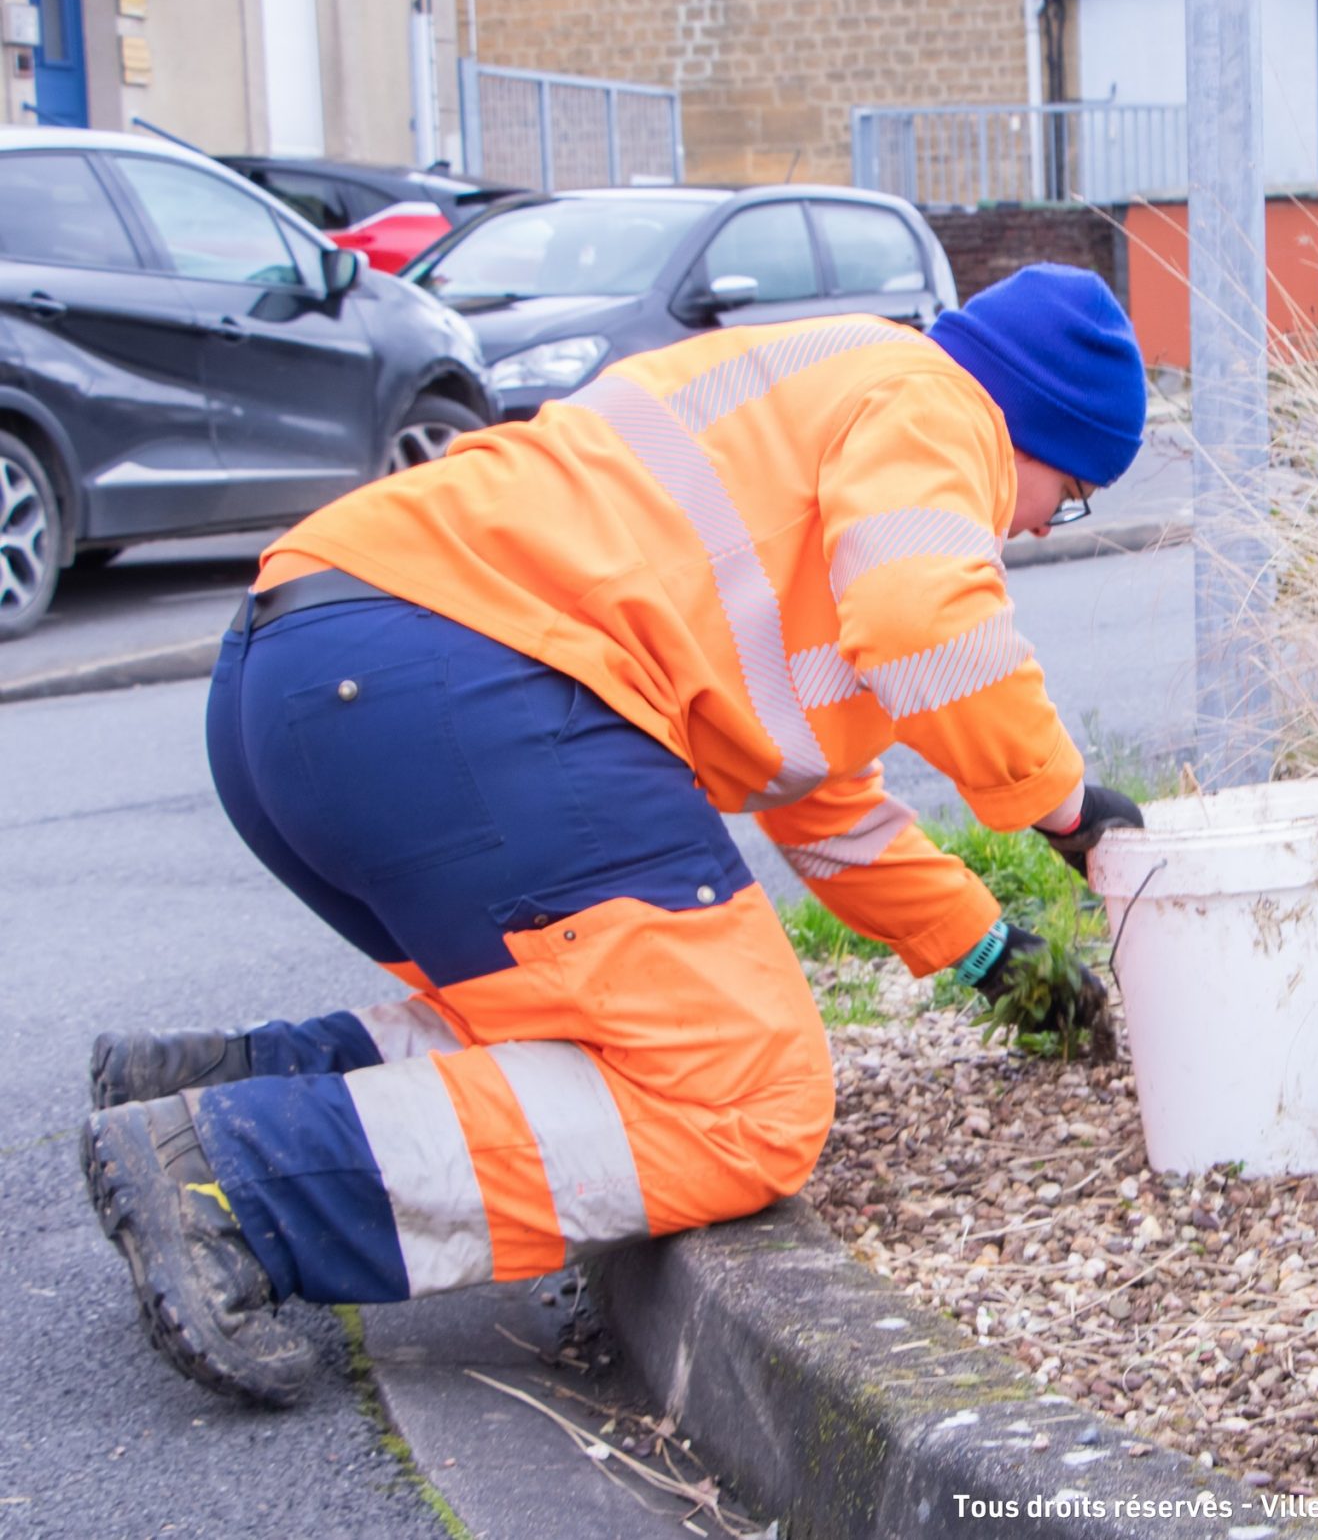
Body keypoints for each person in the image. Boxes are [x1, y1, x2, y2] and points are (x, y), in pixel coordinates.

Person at [80, 263, 1150, 1406]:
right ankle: (243, 1181)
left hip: (300, 678)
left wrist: (991, 956)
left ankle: (243, 1082)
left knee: (592, 1023)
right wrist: (1066, 808)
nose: (1041, 524)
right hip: (471, 683)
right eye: (1068, 490)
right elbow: (922, 616)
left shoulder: (812, 404)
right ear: (1028, 426)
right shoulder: (936, 404)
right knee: (746, 1099)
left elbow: (825, 804)